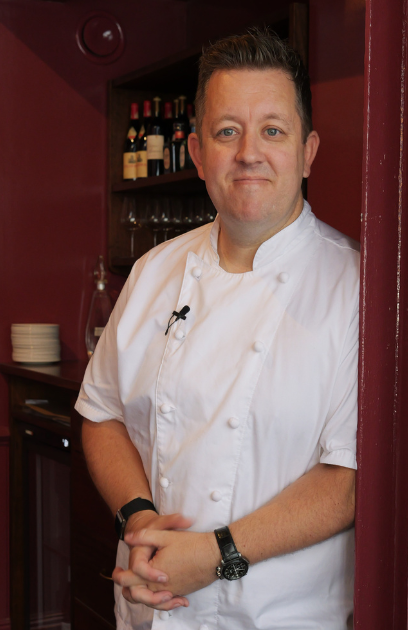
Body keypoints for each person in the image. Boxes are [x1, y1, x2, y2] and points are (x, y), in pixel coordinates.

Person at [76, 29, 357, 629]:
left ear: (308, 151)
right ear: (199, 152)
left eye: (272, 131)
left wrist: (216, 554)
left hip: (280, 617)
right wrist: (137, 516)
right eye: (228, 131)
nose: (249, 152)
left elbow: (350, 478)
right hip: (149, 607)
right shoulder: (154, 271)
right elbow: (100, 414)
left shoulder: (357, 287)